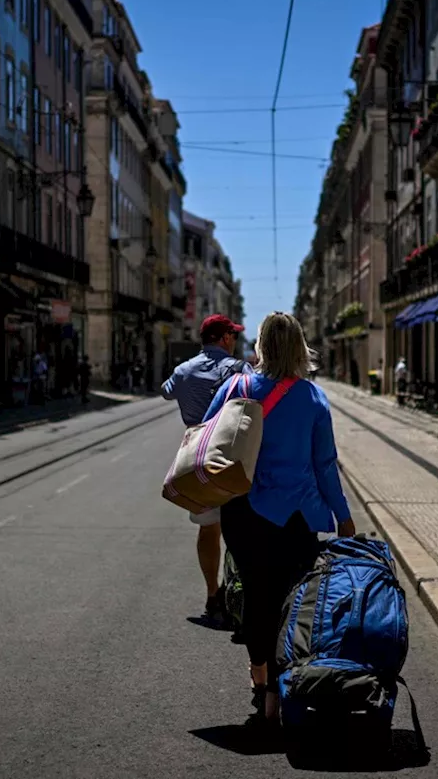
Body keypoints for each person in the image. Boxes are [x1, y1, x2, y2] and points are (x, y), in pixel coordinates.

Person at [202, 311, 355, 725]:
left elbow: (208, 439)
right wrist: (343, 516)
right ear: (299, 347)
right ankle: (282, 685)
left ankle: (259, 681)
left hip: (246, 512)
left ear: (261, 344)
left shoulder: (235, 386)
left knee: (256, 595)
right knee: (293, 601)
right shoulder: (313, 398)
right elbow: (325, 465)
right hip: (299, 518)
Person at [160, 313, 253, 626]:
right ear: (225, 338)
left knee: (208, 528)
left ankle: (212, 593)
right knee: (242, 530)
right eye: (234, 335)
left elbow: (166, 390)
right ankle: (238, 595)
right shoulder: (238, 369)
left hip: (197, 459)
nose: (236, 340)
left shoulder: (184, 369)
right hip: (233, 456)